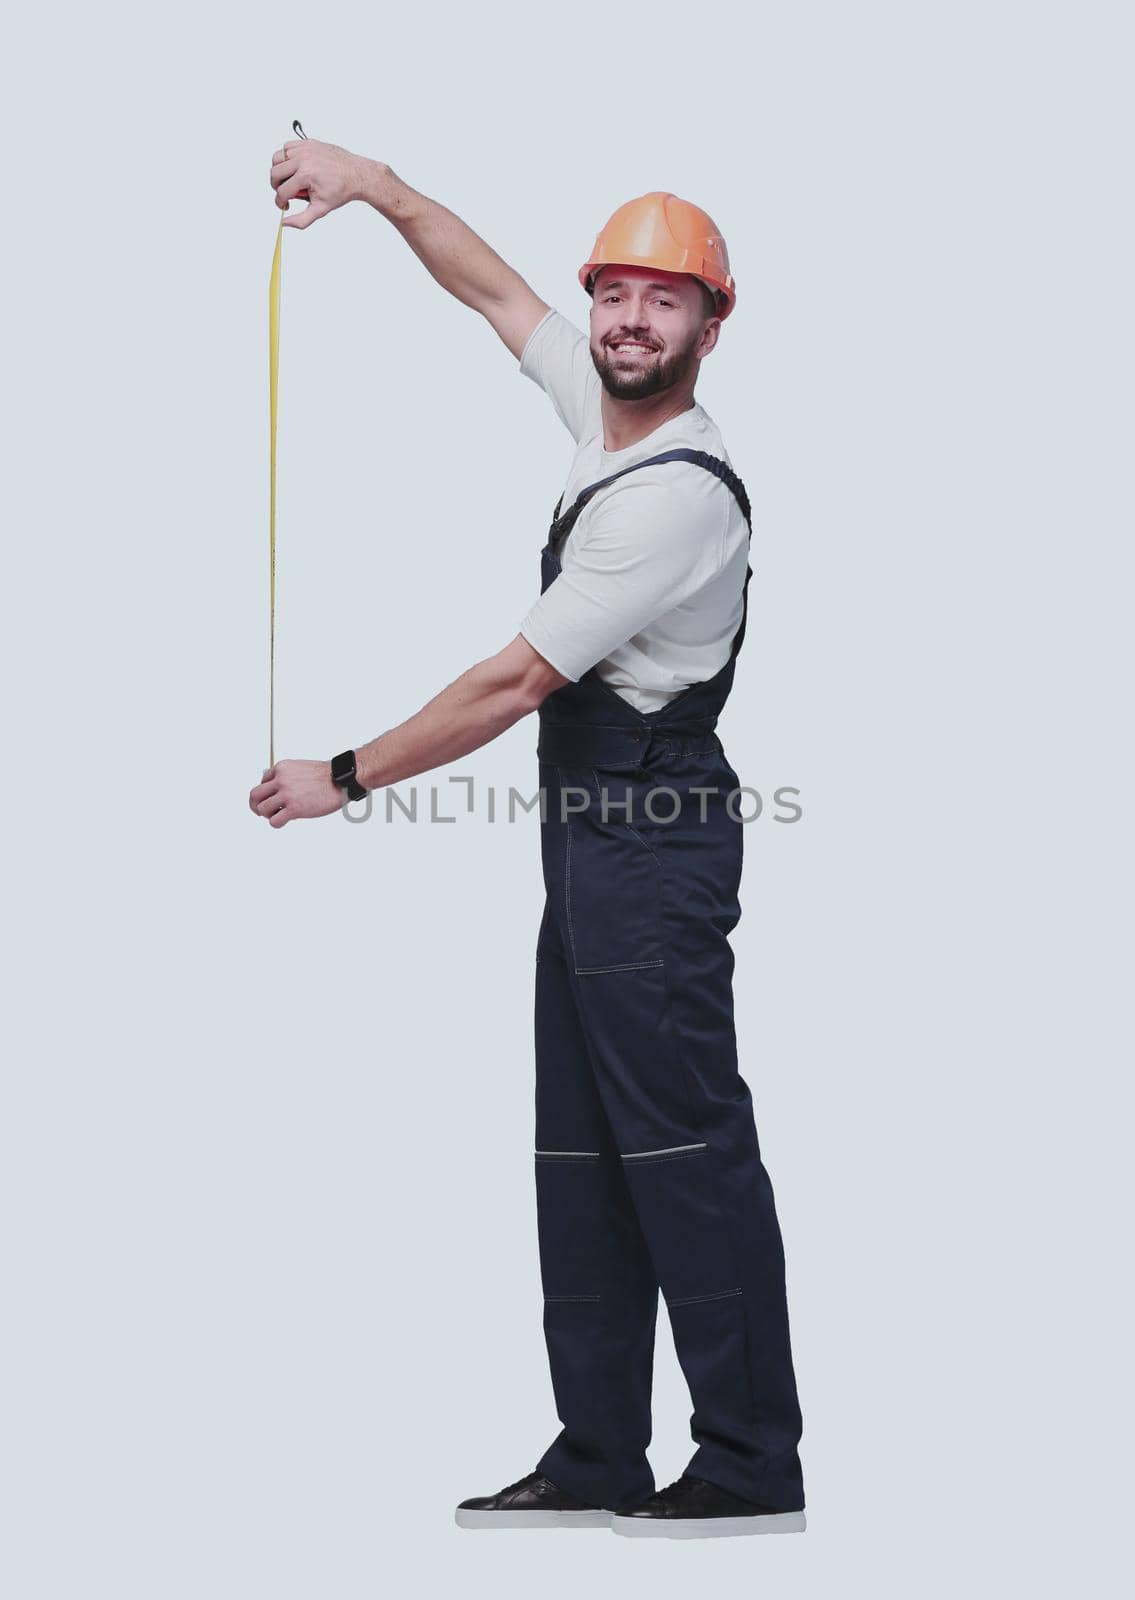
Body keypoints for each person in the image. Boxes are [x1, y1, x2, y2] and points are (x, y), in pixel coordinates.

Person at [249, 138, 806, 1540]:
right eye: (613, 294)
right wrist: (374, 185)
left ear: (713, 323)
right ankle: (600, 1452)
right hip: (591, 848)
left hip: (655, 843)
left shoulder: (676, 491)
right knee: (585, 1155)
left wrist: (344, 774)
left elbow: (513, 685)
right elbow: (490, 288)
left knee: (683, 1149)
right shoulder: (603, 410)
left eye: (662, 301)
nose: (626, 321)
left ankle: (750, 1460)